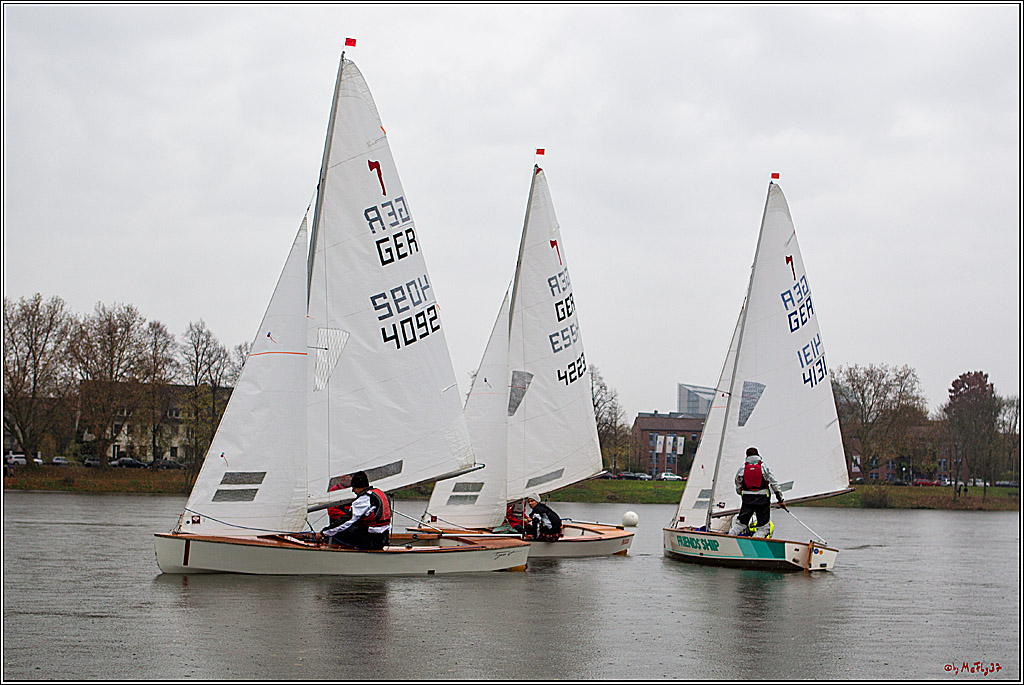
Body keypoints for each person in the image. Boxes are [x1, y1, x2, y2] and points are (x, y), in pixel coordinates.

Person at [315, 471, 392, 550]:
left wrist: (323, 533)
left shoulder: (364, 500)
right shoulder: (380, 494)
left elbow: (347, 521)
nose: (353, 491)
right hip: (384, 537)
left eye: (354, 488)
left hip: (371, 540)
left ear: (359, 487)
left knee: (338, 531)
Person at [728, 447, 787, 538]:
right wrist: (780, 500)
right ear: (758, 455)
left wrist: (743, 493)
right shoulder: (764, 467)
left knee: (741, 524)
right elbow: (774, 484)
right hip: (763, 499)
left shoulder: (742, 469)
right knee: (763, 528)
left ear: (747, 456)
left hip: (747, 499)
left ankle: (729, 537)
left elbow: (738, 485)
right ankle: (755, 541)